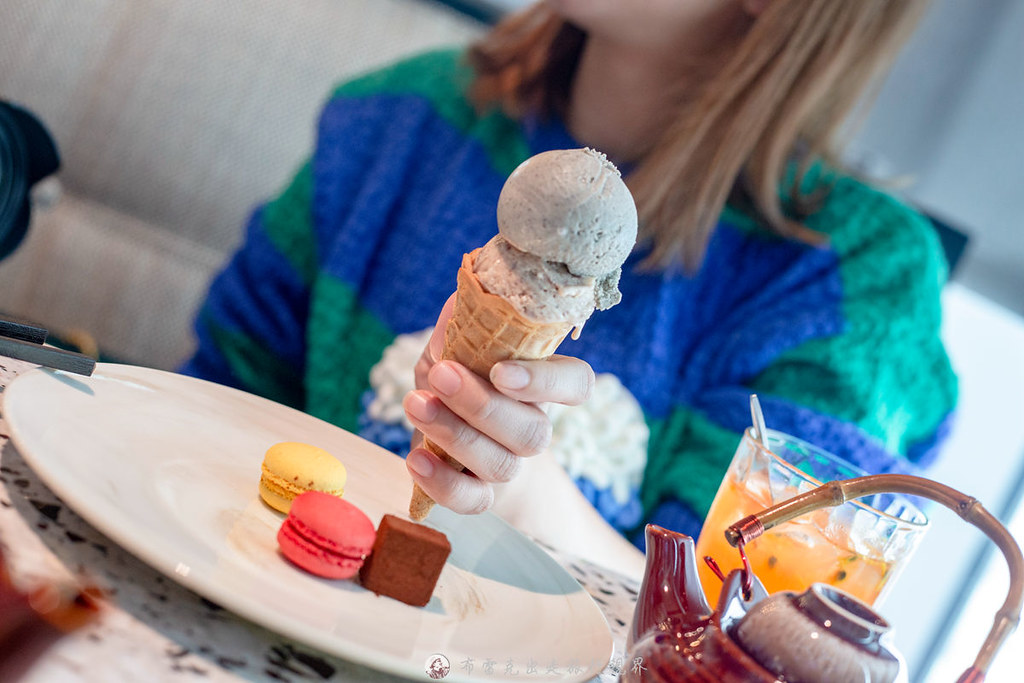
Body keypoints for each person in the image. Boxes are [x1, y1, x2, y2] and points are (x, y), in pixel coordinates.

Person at [182, 0, 956, 578]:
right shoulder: (393, 118)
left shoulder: (859, 279)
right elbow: (208, 418)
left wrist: (524, 490)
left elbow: (736, 633)